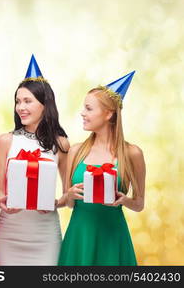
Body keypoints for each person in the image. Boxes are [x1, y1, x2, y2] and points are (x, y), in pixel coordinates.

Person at [58, 71, 145, 266]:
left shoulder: (132, 154)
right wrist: (70, 195)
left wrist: (124, 200)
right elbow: (70, 203)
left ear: (109, 114)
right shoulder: (75, 151)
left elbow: (139, 204)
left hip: (113, 237)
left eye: (88, 108)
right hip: (80, 236)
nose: (82, 113)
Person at [0, 55, 70, 265]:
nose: (20, 107)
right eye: (18, 101)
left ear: (45, 104)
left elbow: (68, 198)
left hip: (45, 235)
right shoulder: (5, 141)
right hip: (9, 234)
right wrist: (1, 201)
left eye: (28, 101)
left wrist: (55, 203)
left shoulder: (61, 144)